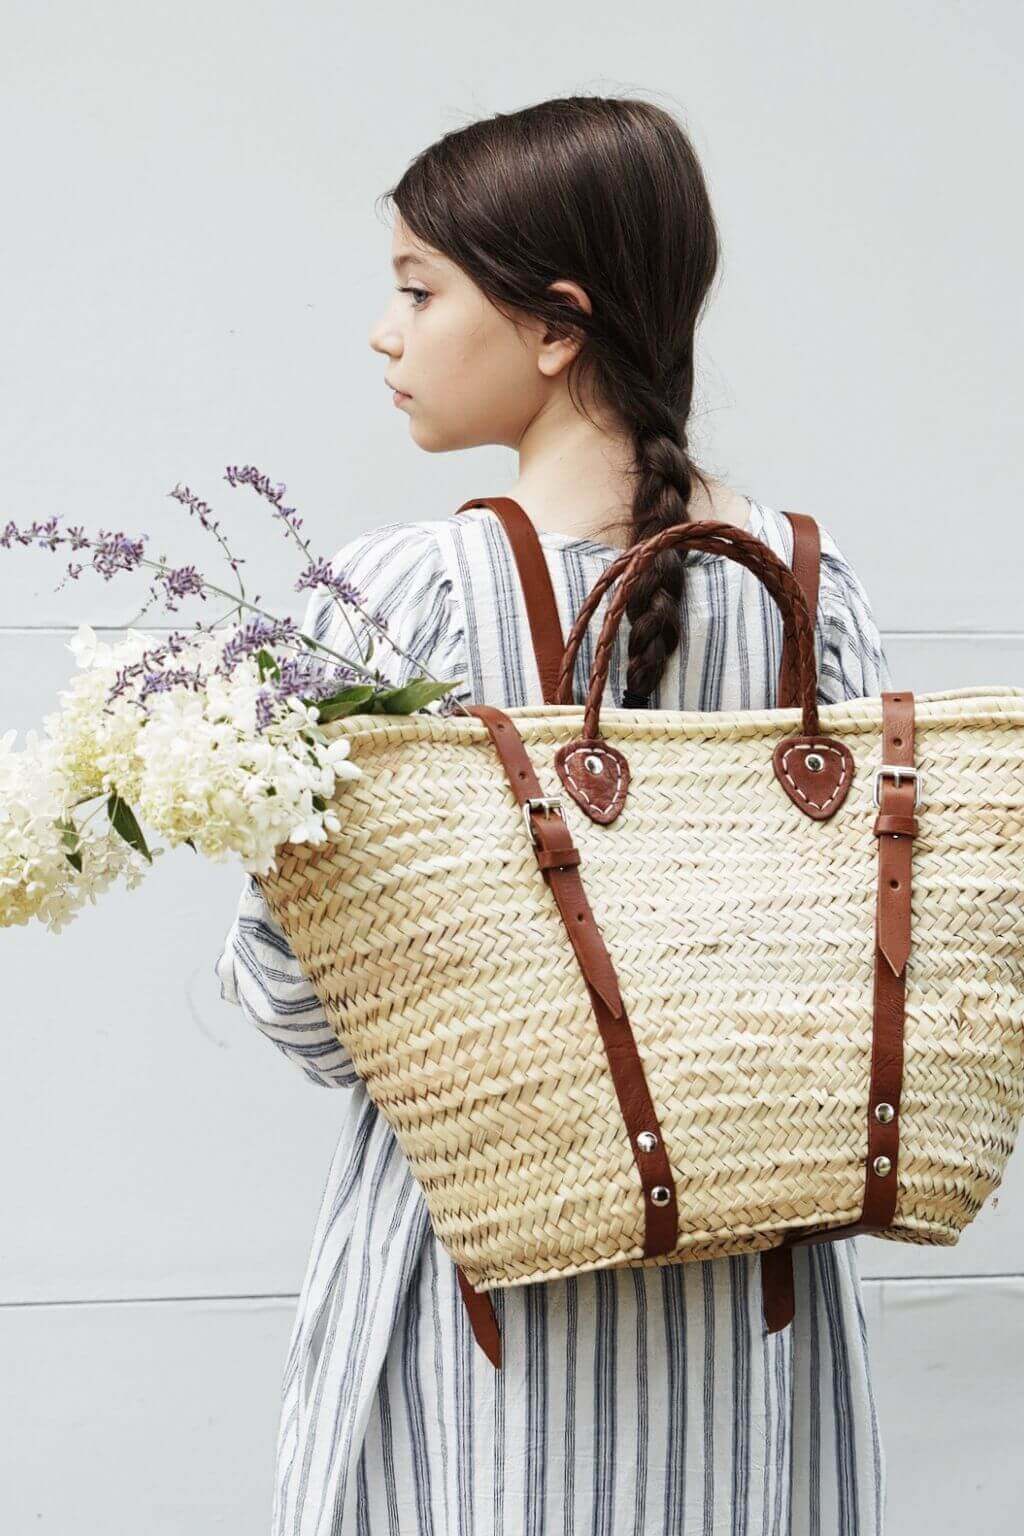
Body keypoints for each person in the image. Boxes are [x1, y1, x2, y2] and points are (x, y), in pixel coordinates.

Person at [216, 94, 891, 1535]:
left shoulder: (399, 606)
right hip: (747, 1307)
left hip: (481, 1305)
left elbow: (307, 1006)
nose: (384, 333)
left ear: (556, 324)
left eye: (417, 289)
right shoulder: (815, 597)